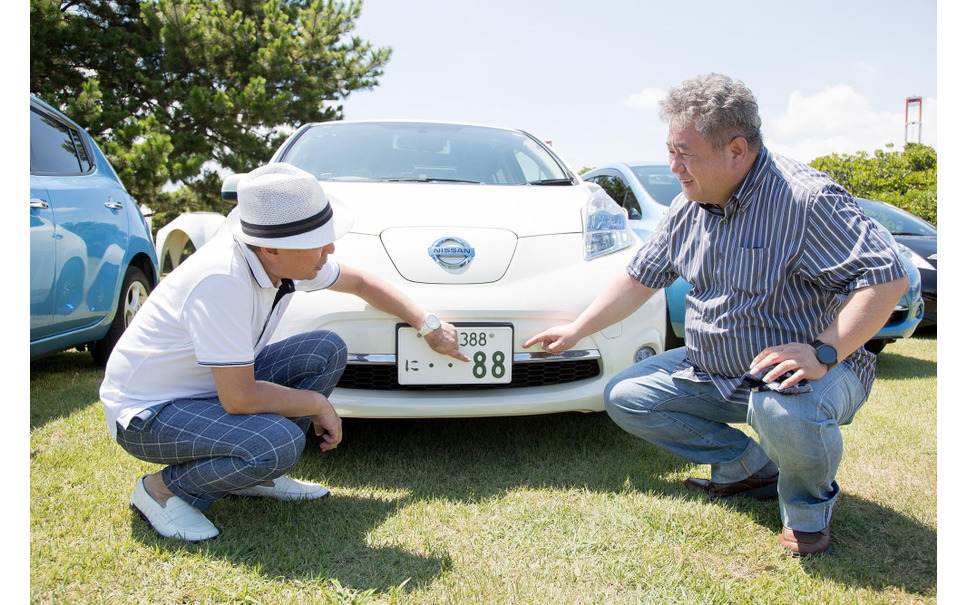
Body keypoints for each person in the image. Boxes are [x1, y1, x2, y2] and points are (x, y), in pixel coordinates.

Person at [525, 73, 909, 556]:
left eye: (685, 153)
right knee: (627, 395)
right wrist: (577, 329)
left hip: (810, 374)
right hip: (714, 371)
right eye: (670, 150)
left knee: (782, 406)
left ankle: (807, 511)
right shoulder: (688, 206)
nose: (674, 166)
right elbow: (641, 277)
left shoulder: (805, 199)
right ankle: (749, 468)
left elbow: (886, 276)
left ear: (737, 150)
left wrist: (823, 351)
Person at [100, 163, 468, 542]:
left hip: (204, 391)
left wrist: (428, 326)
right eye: (319, 240)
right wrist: (316, 403)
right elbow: (239, 397)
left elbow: (360, 281)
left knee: (325, 349)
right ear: (272, 248)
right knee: (280, 442)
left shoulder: (278, 256)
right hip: (149, 413)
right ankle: (161, 490)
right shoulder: (222, 280)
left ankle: (260, 475)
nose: (330, 248)